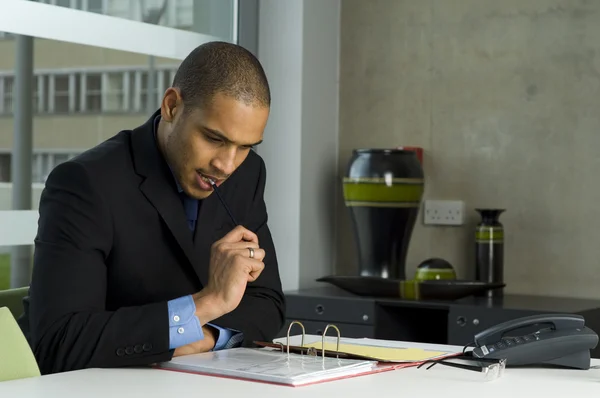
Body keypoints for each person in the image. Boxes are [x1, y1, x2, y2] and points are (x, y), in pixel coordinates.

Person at [17, 41, 286, 375]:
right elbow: (60, 342)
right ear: (172, 106)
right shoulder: (85, 183)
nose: (226, 164)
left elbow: (268, 304)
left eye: (245, 146)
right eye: (214, 138)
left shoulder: (247, 174)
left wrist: (200, 338)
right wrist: (209, 303)